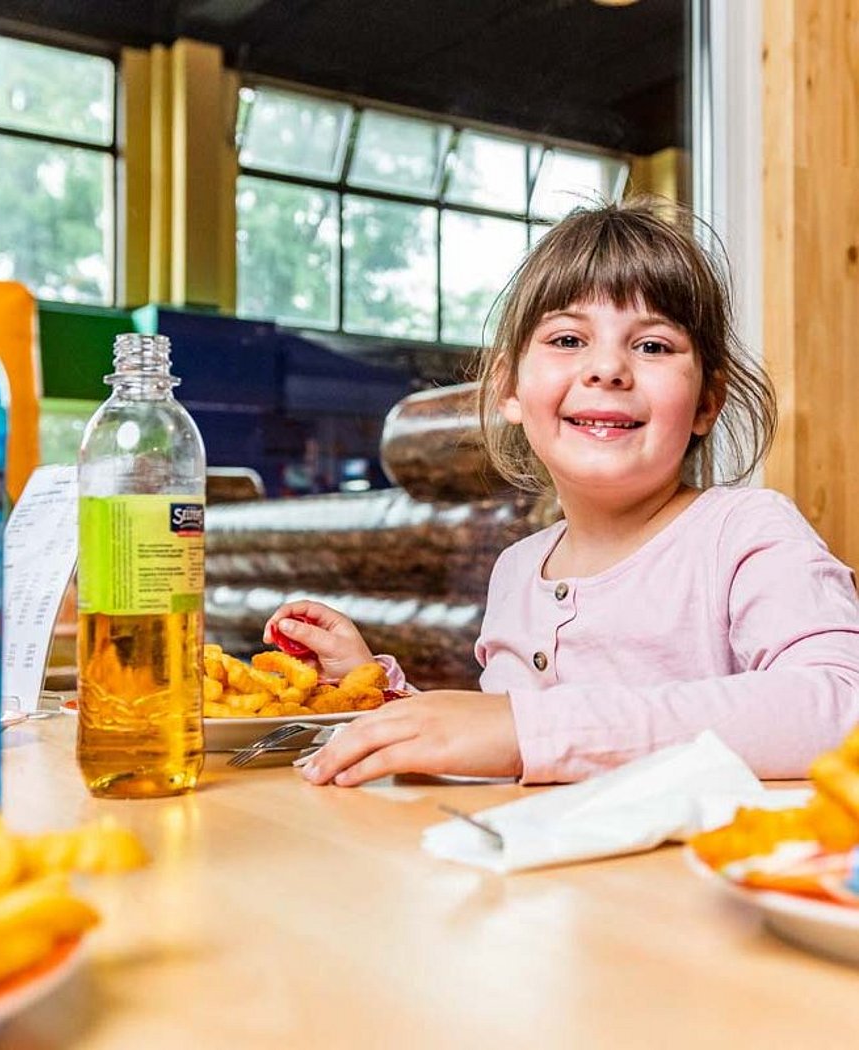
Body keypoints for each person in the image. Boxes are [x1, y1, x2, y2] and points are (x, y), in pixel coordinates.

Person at [265, 198, 859, 787]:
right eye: (568, 340)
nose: (607, 369)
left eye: (652, 346)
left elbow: (840, 708)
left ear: (707, 400)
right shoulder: (517, 568)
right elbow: (507, 757)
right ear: (510, 388)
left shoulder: (747, 533)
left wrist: (526, 731)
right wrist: (377, 693)